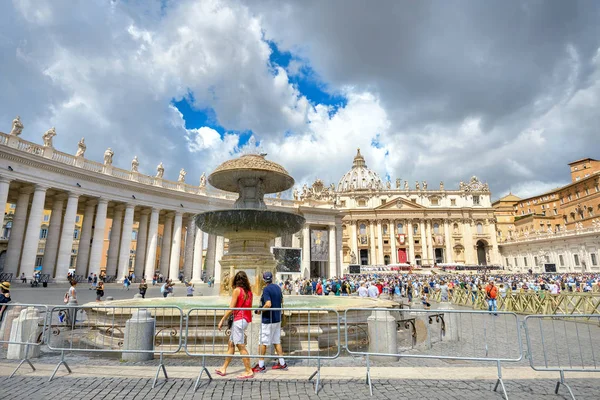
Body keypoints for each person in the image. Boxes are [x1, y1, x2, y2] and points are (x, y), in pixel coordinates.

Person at [215, 271, 254, 379]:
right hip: (244, 320)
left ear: (235, 280)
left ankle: (248, 370)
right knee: (231, 344)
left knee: (240, 345)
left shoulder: (237, 291)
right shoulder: (250, 292)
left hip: (238, 321)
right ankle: (223, 368)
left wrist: (222, 319)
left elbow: (231, 307)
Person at [253, 272, 288, 373]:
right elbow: (281, 300)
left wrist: (259, 310)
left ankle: (261, 365)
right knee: (276, 341)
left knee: (262, 342)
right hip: (277, 319)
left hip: (268, 320)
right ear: (272, 278)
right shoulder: (277, 287)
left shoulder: (266, 289)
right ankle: (282, 363)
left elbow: (268, 304)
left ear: (264, 280)